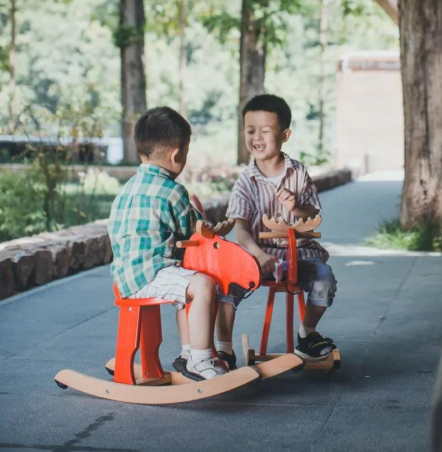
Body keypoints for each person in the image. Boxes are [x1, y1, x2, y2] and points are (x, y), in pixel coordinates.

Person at [215, 93, 337, 368]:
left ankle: (307, 333)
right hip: (259, 256)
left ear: (285, 135)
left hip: (299, 253)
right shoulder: (246, 182)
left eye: (265, 131)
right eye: (250, 130)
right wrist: (257, 254)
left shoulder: (297, 172)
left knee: (324, 279)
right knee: (226, 284)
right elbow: (241, 231)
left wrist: (296, 208)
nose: (256, 137)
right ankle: (223, 349)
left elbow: (313, 213)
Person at [108, 106, 226, 382]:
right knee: (204, 285)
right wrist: (209, 228)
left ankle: (187, 353)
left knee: (189, 284)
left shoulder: (126, 189)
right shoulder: (173, 191)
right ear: (177, 155)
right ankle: (200, 357)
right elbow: (194, 232)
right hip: (150, 273)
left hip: (125, 275)